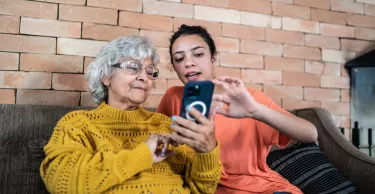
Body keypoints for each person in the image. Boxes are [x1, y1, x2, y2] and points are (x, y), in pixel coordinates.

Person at [40, 35, 222, 194]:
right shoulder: (77, 124)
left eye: (150, 72)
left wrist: (207, 151)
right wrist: (143, 155)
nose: (144, 77)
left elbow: (203, 189)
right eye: (133, 67)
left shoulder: (164, 125)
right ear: (106, 76)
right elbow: (62, 182)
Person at [156, 25, 318, 194]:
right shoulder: (173, 97)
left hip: (264, 190)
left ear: (213, 57)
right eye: (179, 59)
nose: (188, 63)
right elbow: (158, 146)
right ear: (174, 67)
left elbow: (310, 134)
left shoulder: (247, 97)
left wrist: (256, 111)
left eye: (198, 54)